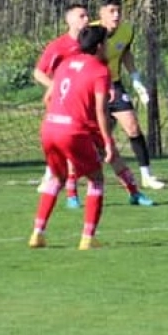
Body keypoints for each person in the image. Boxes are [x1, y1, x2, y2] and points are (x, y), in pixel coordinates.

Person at [34, 3, 154, 208]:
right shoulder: (60, 47)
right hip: (76, 115)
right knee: (80, 155)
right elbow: (40, 75)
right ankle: (72, 196)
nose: (86, 19)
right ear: (69, 20)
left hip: (91, 109)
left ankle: (134, 191)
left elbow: (99, 76)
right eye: (81, 16)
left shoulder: (92, 47)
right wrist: (58, 94)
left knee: (111, 152)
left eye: (87, 15)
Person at [30, 25, 114, 250]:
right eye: (106, 43)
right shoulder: (100, 70)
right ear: (98, 46)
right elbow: (100, 110)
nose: (107, 47)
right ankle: (88, 237)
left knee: (56, 178)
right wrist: (108, 141)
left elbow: (48, 98)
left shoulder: (66, 64)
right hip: (72, 131)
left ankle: (38, 233)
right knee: (96, 179)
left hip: (49, 126)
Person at [93, 0, 165, 191]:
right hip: (92, 88)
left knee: (133, 127)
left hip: (114, 85)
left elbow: (125, 52)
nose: (116, 15)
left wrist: (135, 79)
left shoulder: (126, 30)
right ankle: (54, 173)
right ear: (101, 14)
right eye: (111, 11)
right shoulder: (91, 31)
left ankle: (147, 176)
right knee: (87, 135)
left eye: (118, 11)